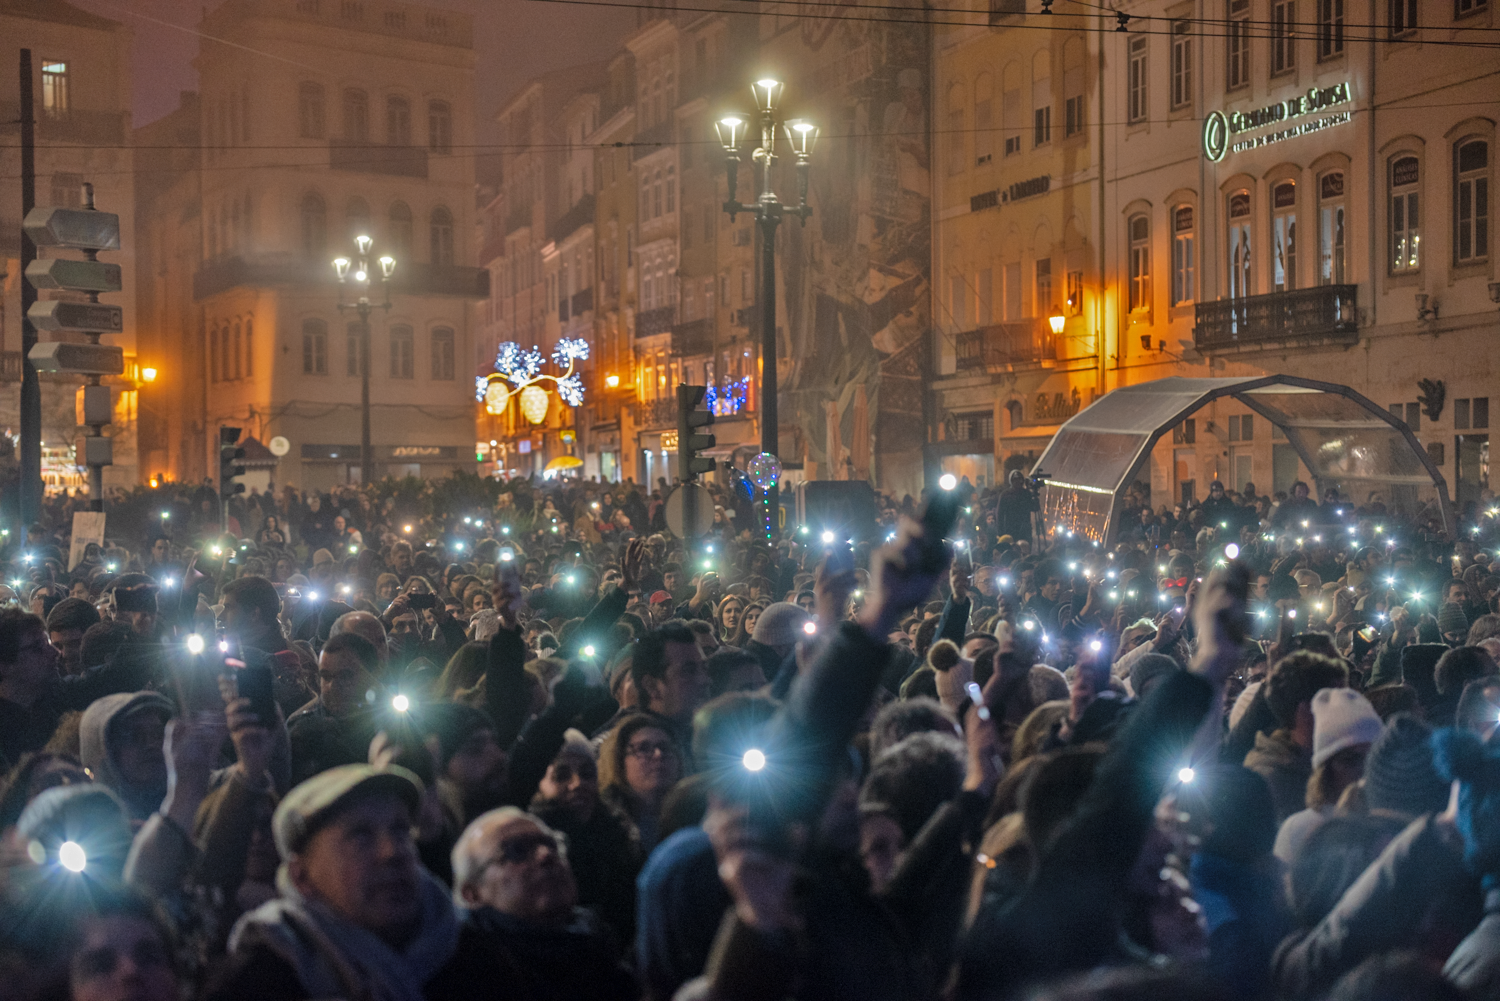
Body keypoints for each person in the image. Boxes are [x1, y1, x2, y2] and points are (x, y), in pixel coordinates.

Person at [206, 764, 461, 1001]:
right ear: (301, 876)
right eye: (360, 836)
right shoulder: (259, 978)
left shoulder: (475, 954)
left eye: (401, 830)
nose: (392, 852)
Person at [432, 807, 638, 1000]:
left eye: (552, 844)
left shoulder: (597, 945)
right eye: (517, 850)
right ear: (473, 894)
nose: (546, 855)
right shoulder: (467, 973)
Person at [1242, 652, 1349, 823]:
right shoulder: (1268, 782)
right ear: (1305, 711)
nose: (1347, 708)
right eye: (1336, 700)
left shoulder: (1342, 759)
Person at [598, 713, 682, 853]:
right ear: (619, 760)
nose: (658, 754)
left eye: (665, 747)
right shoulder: (604, 824)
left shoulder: (694, 815)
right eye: (643, 748)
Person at [629, 622, 711, 764]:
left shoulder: (708, 738)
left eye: (704, 668)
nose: (705, 680)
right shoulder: (634, 754)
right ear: (651, 686)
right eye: (688, 671)